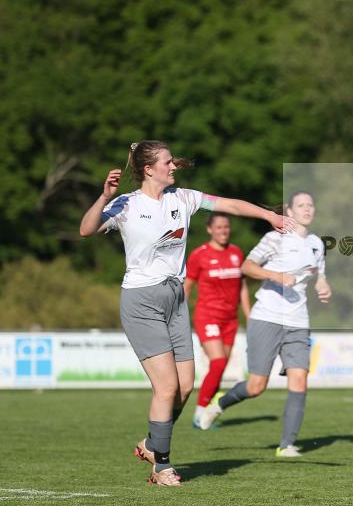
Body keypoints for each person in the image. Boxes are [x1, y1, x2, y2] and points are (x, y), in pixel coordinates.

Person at [78, 140, 294, 486]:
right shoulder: (126, 204)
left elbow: (229, 204)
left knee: (184, 387)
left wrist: (269, 215)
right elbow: (86, 230)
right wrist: (104, 197)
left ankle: (152, 443)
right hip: (142, 300)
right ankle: (161, 467)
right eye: (167, 162)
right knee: (165, 388)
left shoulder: (183, 199)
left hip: (175, 299)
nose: (173, 166)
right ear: (149, 169)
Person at [197, 191, 332, 459]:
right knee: (257, 386)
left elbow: (318, 275)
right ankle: (220, 402)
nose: (307, 209)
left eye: (310, 204)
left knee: (299, 378)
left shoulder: (317, 243)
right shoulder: (274, 238)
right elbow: (246, 267)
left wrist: (323, 285)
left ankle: (287, 444)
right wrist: (275, 275)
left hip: (298, 320)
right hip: (266, 316)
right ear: (289, 212)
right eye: (301, 205)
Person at [183, 213, 252, 428]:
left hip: (230, 319)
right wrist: (178, 313)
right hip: (207, 316)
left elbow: (242, 286)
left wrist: (249, 315)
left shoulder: (236, 253)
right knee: (218, 361)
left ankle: (205, 412)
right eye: (219, 227)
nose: (223, 231)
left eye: (226, 227)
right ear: (209, 230)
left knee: (219, 368)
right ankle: (199, 415)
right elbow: (188, 284)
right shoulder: (199, 255)